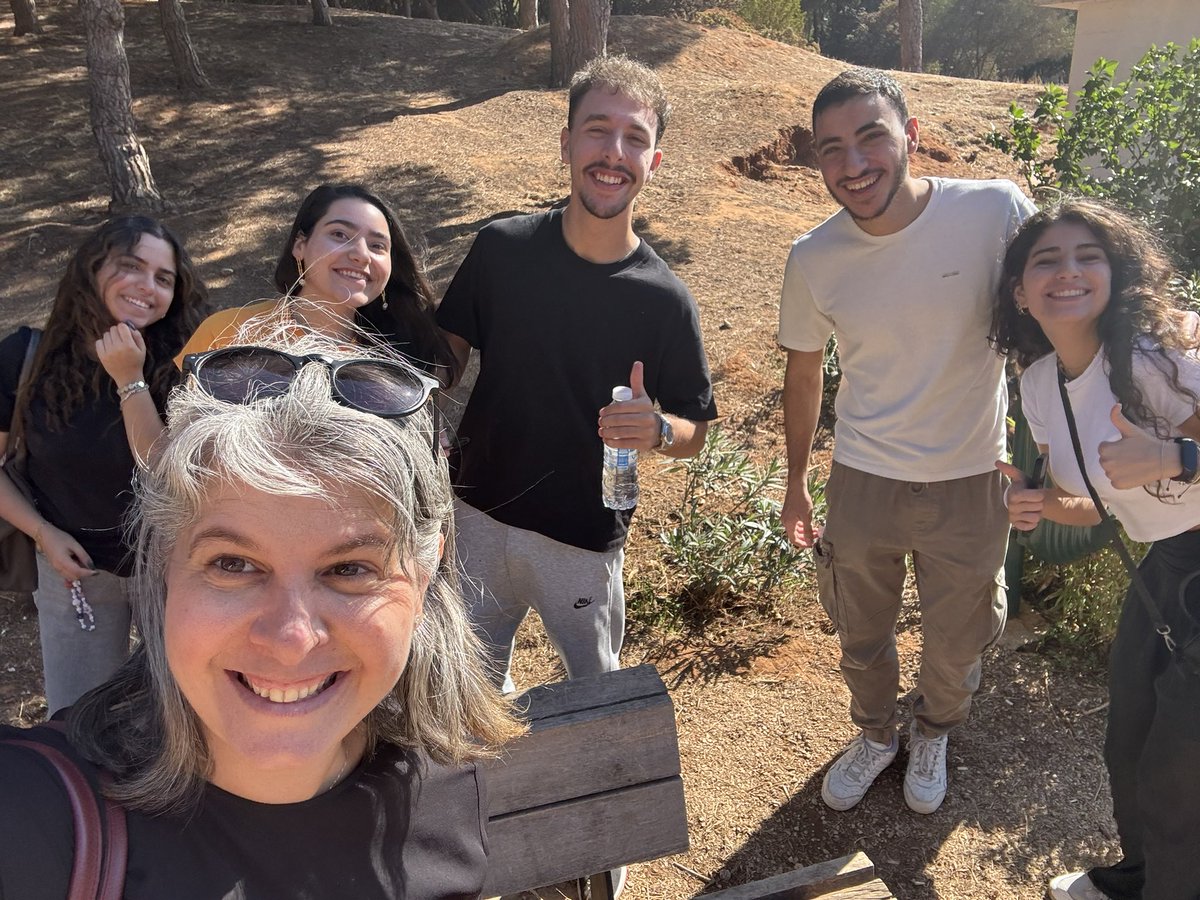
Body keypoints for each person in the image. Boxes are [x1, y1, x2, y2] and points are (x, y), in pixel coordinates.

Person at [0, 331, 523, 899]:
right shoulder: (30, 820)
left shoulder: (442, 782)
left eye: (349, 569)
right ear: (164, 565)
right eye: (233, 563)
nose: (291, 639)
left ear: (424, 576)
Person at [777, 67, 1035, 814]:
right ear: (815, 159)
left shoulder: (995, 212)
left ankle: (935, 730)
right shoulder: (814, 257)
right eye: (831, 149)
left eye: (870, 138)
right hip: (864, 480)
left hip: (972, 478)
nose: (852, 165)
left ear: (911, 136)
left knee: (958, 640)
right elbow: (802, 376)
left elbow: (1054, 312)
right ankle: (877, 733)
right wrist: (796, 483)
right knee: (861, 631)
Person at [436, 55, 718, 693]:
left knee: (595, 696)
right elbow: (443, 359)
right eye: (597, 129)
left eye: (635, 138)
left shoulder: (665, 299)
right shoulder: (500, 250)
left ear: (654, 161)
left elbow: (695, 431)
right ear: (566, 142)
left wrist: (658, 431)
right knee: (468, 690)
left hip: (583, 541)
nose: (613, 152)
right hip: (477, 517)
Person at [991, 199, 1200, 900]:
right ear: (1020, 291)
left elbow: (1169, 464)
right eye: (1045, 260)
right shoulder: (1040, 385)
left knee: (1179, 774)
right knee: (1128, 745)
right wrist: (1038, 502)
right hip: (1163, 572)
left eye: (1088, 256)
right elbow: (1095, 504)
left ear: (1115, 274)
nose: (1068, 271)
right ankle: (1139, 880)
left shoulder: (1157, 358)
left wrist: (1179, 455)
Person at [0, 216, 209, 716]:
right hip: (75, 573)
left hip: (172, 569)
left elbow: (164, 470)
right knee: (77, 717)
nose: (147, 287)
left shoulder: (189, 362)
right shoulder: (26, 356)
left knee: (187, 714)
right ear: (92, 271)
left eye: (163, 278)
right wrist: (41, 533)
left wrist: (129, 380)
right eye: (131, 267)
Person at [179, 183, 457, 385]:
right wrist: (133, 381)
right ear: (300, 245)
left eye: (377, 245)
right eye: (339, 234)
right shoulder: (226, 331)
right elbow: (171, 443)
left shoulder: (399, 360)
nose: (361, 254)